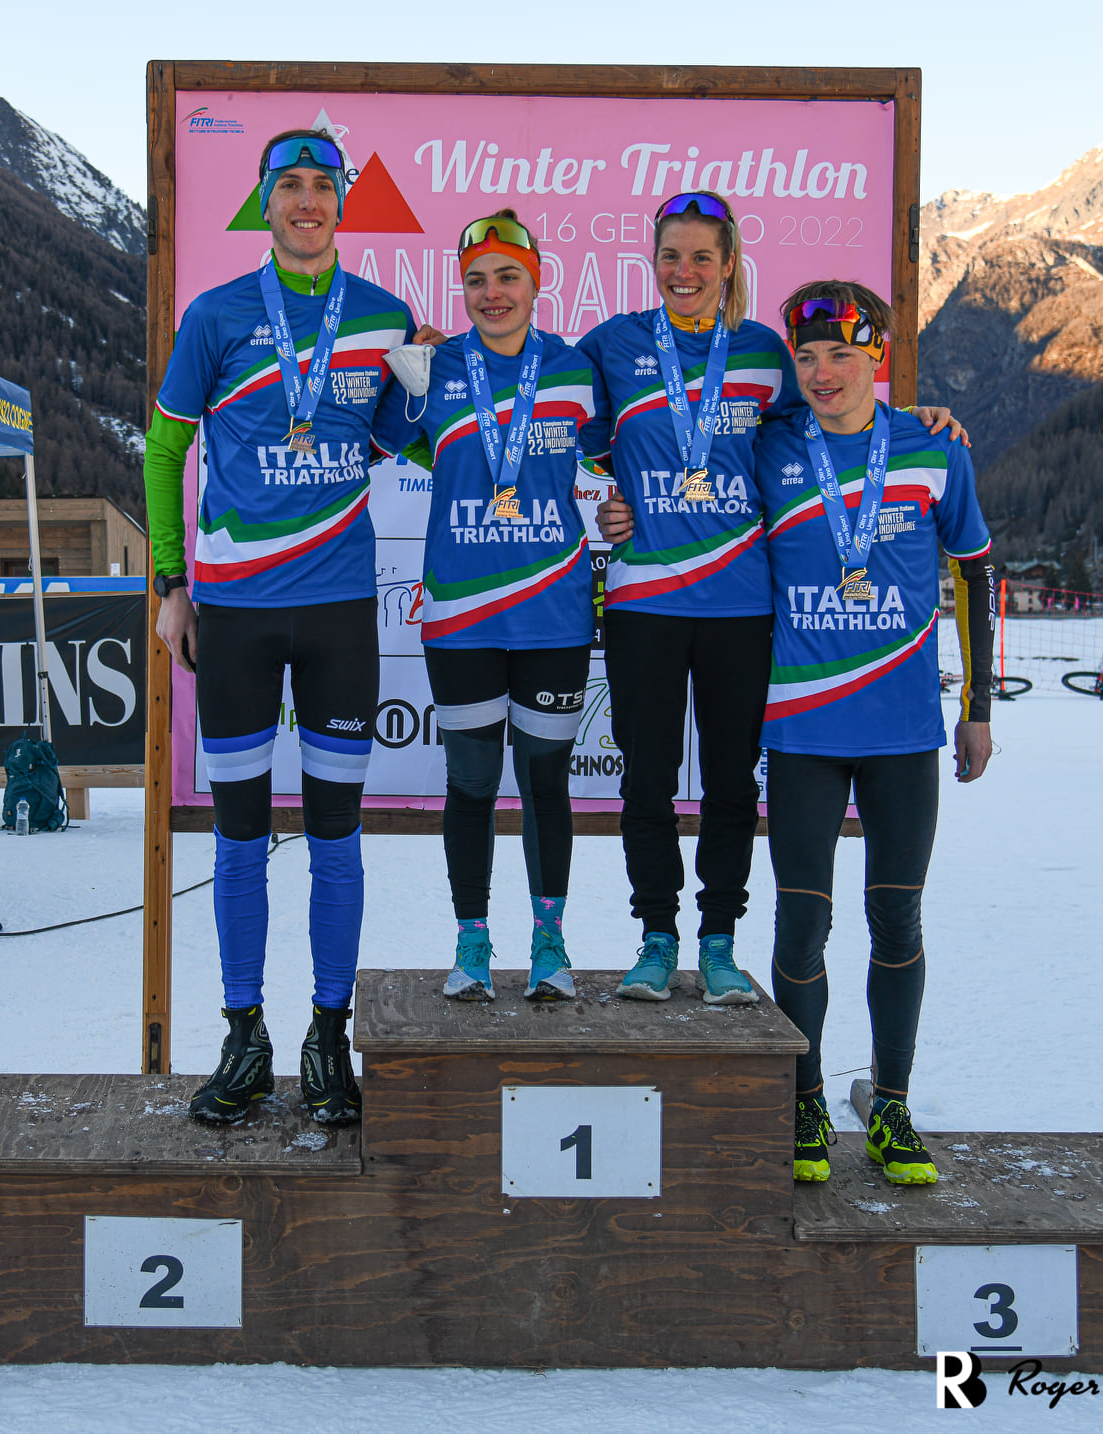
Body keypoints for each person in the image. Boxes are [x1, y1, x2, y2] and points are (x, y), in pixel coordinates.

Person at [586, 192, 966, 1006]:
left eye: (701, 258)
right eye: (670, 257)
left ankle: (718, 941)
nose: (683, 273)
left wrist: (923, 417)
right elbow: (543, 400)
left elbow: (844, 423)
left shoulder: (767, 352)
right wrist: (605, 508)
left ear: (729, 268)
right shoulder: (613, 344)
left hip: (740, 607)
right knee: (647, 780)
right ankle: (657, 937)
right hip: (645, 604)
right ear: (652, 264)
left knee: (730, 783)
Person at [143, 129, 415, 1123]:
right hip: (239, 613)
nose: (307, 200)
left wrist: (413, 396)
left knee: (337, 836)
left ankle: (327, 1035)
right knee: (241, 835)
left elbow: (391, 438)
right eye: (289, 185)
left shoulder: (386, 316)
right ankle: (244, 1033)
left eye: (323, 186)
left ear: (343, 202)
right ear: (263, 202)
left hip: (341, 610)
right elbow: (164, 447)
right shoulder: (216, 316)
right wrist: (171, 583)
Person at [752, 283, 995, 1186]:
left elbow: (974, 575)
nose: (822, 372)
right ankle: (806, 1099)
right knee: (802, 923)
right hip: (803, 727)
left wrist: (978, 708)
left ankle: (891, 1106)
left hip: (901, 731)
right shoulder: (768, 442)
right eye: (807, 356)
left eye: (842, 355)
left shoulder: (934, 447)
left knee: (895, 915)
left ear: (878, 356)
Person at [373, 210, 594, 1001]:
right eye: (476, 279)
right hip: (463, 616)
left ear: (538, 283)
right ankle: (471, 942)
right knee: (470, 782)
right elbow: (364, 441)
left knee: (544, 783)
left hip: (555, 612)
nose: (491, 293)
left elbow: (641, 450)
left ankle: (548, 941)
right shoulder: (430, 369)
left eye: (507, 277)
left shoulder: (575, 369)